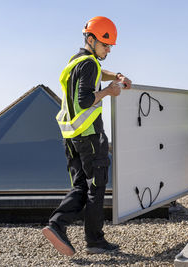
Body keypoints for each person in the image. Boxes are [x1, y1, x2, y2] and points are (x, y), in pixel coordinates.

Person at [42, 16, 132, 256]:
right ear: (91, 39)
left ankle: (57, 225)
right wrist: (109, 92)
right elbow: (84, 100)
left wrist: (116, 76)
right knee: (96, 186)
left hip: (70, 137)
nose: (108, 49)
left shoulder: (77, 61)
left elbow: (98, 72)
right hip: (90, 136)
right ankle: (94, 240)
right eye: (105, 44)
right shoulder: (90, 64)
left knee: (81, 186)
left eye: (110, 45)